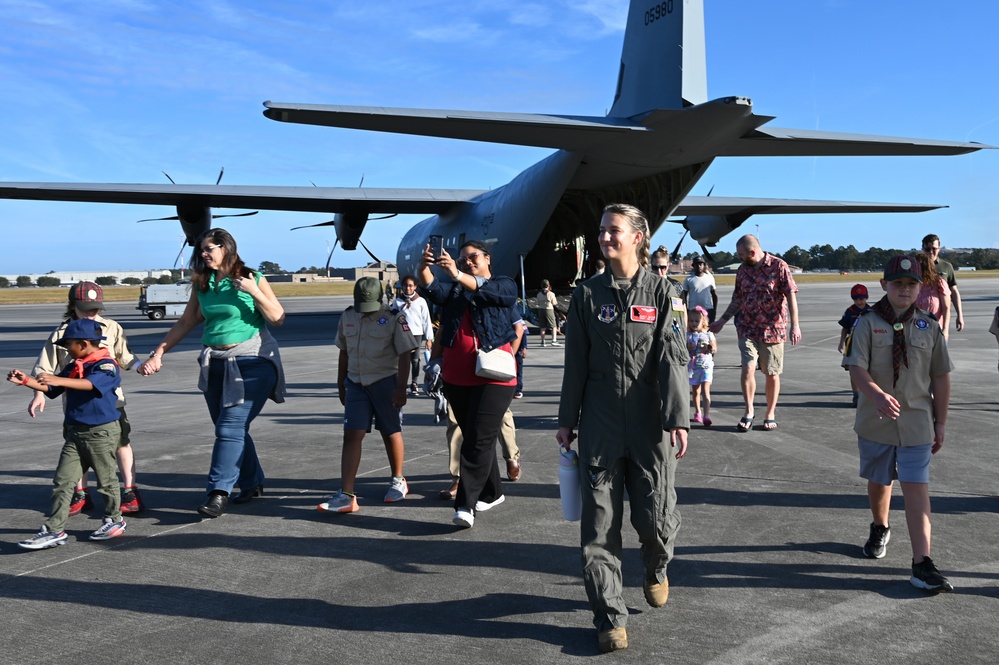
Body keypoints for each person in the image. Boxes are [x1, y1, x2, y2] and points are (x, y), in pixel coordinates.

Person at [556, 203, 690, 653]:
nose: (605, 237)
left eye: (614, 230)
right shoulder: (586, 296)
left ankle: (655, 566)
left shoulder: (664, 294)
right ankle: (609, 617)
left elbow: (674, 358)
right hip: (600, 424)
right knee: (599, 528)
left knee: (654, 519)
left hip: (651, 424)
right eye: (601, 230)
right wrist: (566, 421)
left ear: (638, 237)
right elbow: (575, 363)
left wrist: (678, 418)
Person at [137, 228, 286, 518]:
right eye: (201, 250)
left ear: (227, 248)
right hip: (216, 363)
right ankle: (252, 481)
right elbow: (187, 321)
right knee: (230, 427)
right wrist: (158, 353)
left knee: (229, 427)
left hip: (253, 361)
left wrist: (254, 292)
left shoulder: (251, 278)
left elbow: (278, 317)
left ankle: (218, 492)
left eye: (209, 248)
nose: (203, 254)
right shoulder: (203, 284)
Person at [843, 255, 954, 592]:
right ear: (884, 286)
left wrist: (941, 422)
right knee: (879, 480)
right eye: (897, 284)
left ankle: (922, 563)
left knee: (917, 487)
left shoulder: (929, 326)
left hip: (917, 421)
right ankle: (880, 525)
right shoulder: (866, 322)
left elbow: (941, 377)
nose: (904, 290)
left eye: (911, 284)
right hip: (876, 420)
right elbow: (856, 366)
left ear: (920, 288)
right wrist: (875, 394)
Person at [418, 239, 519, 529]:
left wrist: (457, 274)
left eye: (472, 257)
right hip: (456, 376)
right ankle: (493, 492)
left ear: (487, 258)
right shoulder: (455, 289)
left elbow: (498, 295)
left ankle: (465, 505)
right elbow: (433, 290)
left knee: (477, 439)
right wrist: (424, 266)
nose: (467, 262)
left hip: (494, 375)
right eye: (462, 259)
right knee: (476, 435)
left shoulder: (503, 283)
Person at [10, 318, 128, 549]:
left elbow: (91, 385)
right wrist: (27, 381)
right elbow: (52, 389)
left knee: (106, 481)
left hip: (100, 433)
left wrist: (58, 378)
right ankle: (54, 530)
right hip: (75, 432)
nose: (67, 350)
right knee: (63, 481)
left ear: (83, 344)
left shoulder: (105, 364)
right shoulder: (75, 365)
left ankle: (114, 520)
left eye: (69, 345)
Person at [29, 281, 145, 514]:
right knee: (78, 447)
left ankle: (129, 490)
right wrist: (38, 394)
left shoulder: (111, 327)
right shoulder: (61, 335)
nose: (92, 313)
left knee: (122, 443)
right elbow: (44, 369)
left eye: (96, 309)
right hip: (76, 406)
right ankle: (81, 494)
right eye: (86, 309)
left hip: (111, 403)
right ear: (73, 307)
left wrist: (141, 365)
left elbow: (125, 356)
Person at [318, 277, 418, 513]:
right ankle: (347, 494)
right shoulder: (348, 316)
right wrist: (340, 383)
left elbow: (405, 354)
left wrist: (401, 388)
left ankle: (398, 479)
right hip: (356, 383)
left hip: (385, 382)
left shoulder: (393, 318)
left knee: (390, 430)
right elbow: (344, 351)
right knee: (352, 434)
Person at [709, 235, 801, 432]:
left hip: (773, 329)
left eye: (742, 255)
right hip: (747, 327)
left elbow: (791, 295)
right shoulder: (742, 271)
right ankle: (749, 411)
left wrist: (795, 325)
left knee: (771, 372)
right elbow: (737, 299)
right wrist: (722, 321)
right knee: (748, 368)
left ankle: (770, 413)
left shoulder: (779, 266)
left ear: (752, 252)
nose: (740, 258)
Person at [393, 274, 434, 395]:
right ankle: (402, 383)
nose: (408, 288)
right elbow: (393, 319)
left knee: (415, 360)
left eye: (411, 286)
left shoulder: (420, 301)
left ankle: (414, 382)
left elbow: (426, 320)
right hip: (402, 335)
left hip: (416, 334)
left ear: (415, 287)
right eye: (405, 286)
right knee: (401, 359)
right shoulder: (398, 301)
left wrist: (429, 338)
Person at [838, 283, 872, 407]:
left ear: (866, 298)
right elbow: (845, 328)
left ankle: (867, 395)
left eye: (862, 299)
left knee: (868, 370)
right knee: (854, 371)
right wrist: (841, 342)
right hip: (852, 345)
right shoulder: (850, 311)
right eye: (856, 299)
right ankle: (856, 395)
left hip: (867, 345)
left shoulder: (871, 311)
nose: (859, 302)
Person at [921, 234, 963, 332]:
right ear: (923, 248)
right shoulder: (917, 266)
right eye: (927, 249)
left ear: (939, 248)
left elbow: (954, 291)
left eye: (934, 249)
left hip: (939, 320)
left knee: (941, 345)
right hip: (918, 319)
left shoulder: (946, 266)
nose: (931, 252)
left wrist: (959, 315)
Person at [686, 306, 716, 427]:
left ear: (703, 321)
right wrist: (689, 348)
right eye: (691, 321)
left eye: (696, 321)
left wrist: (708, 347)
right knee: (696, 391)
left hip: (706, 367)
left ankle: (706, 415)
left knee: (705, 391)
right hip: (693, 368)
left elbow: (714, 348)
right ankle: (697, 412)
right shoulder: (687, 335)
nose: (693, 323)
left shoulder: (708, 334)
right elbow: (684, 349)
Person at [914, 253, 951, 339]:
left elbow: (946, 308)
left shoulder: (939, 283)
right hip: (914, 331)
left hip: (935, 331)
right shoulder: (913, 284)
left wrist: (945, 330)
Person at [682, 256, 718, 323]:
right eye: (696, 264)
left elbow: (714, 295)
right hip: (693, 311)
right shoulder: (688, 280)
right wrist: (685, 310)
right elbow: (684, 297)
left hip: (708, 310)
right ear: (693, 266)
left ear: (704, 265)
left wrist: (714, 310)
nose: (698, 266)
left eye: (700, 264)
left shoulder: (710, 278)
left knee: (708, 331)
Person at [535, 279, 560, 347]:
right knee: (553, 326)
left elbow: (537, 303)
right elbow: (554, 303)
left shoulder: (539, 294)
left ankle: (543, 341)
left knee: (542, 326)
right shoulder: (551, 294)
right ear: (548, 285)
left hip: (540, 309)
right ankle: (554, 340)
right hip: (549, 309)